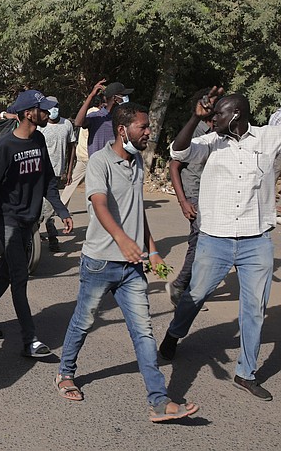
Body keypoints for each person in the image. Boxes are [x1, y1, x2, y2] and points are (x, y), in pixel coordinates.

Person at [55, 102, 199, 422]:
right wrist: (122, 239)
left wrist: (153, 250)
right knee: (83, 321)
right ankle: (65, 373)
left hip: (132, 266)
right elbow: (99, 203)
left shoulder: (136, 162)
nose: (148, 132)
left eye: (147, 127)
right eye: (143, 127)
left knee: (144, 332)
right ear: (123, 130)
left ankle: (159, 401)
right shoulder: (99, 162)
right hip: (100, 263)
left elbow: (137, 210)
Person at [160, 89, 281, 402]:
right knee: (195, 295)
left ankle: (246, 373)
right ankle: (174, 334)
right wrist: (194, 118)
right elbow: (178, 152)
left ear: (237, 115)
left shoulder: (268, 138)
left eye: (218, 115)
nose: (212, 119)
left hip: (257, 241)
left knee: (255, 310)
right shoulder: (210, 142)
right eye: (210, 116)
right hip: (215, 238)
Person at [0, 90, 73, 356]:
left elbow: (49, 180)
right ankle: (30, 340)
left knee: (6, 271)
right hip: (8, 220)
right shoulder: (5, 146)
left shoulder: (38, 139)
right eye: (43, 109)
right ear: (29, 113)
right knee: (19, 276)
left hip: (30, 218)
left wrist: (62, 211)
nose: (48, 113)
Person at [166, 89, 212, 309]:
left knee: (202, 244)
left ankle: (184, 287)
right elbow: (174, 166)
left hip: (210, 196)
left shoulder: (218, 131)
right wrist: (183, 201)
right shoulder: (195, 132)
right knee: (199, 244)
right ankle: (181, 286)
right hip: (194, 194)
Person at [37, 95, 76, 251]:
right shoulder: (40, 125)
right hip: (38, 171)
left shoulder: (66, 124)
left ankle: (52, 237)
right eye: (51, 107)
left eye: (57, 106)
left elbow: (72, 146)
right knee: (37, 205)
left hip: (56, 171)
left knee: (50, 206)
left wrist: (69, 169)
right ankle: (36, 234)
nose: (54, 110)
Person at [74, 79, 131, 158]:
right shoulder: (96, 117)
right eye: (123, 96)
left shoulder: (122, 119)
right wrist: (91, 96)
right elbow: (78, 123)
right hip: (98, 166)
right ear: (115, 98)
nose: (126, 98)